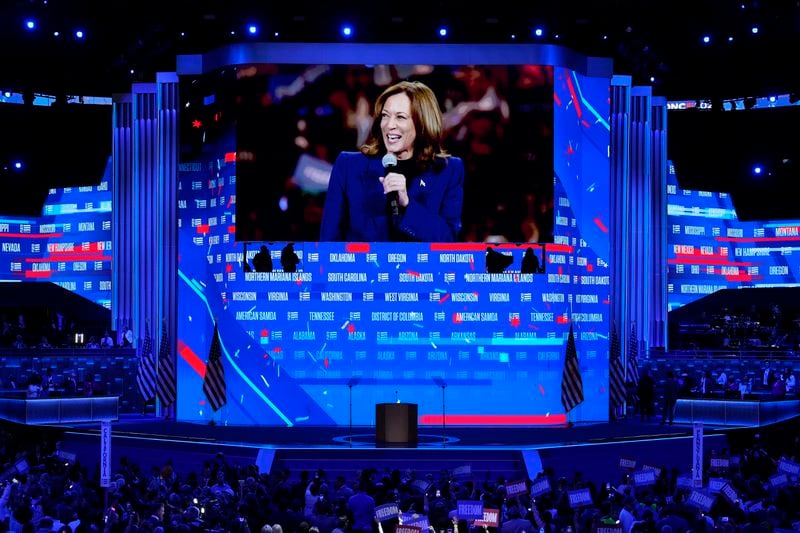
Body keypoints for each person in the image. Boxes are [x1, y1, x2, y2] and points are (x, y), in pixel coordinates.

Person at [320, 80, 464, 242]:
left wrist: (407, 204)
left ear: (422, 123)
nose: (389, 125)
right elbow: (329, 241)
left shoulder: (448, 169)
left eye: (400, 117)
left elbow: (449, 241)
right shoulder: (349, 166)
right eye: (385, 116)